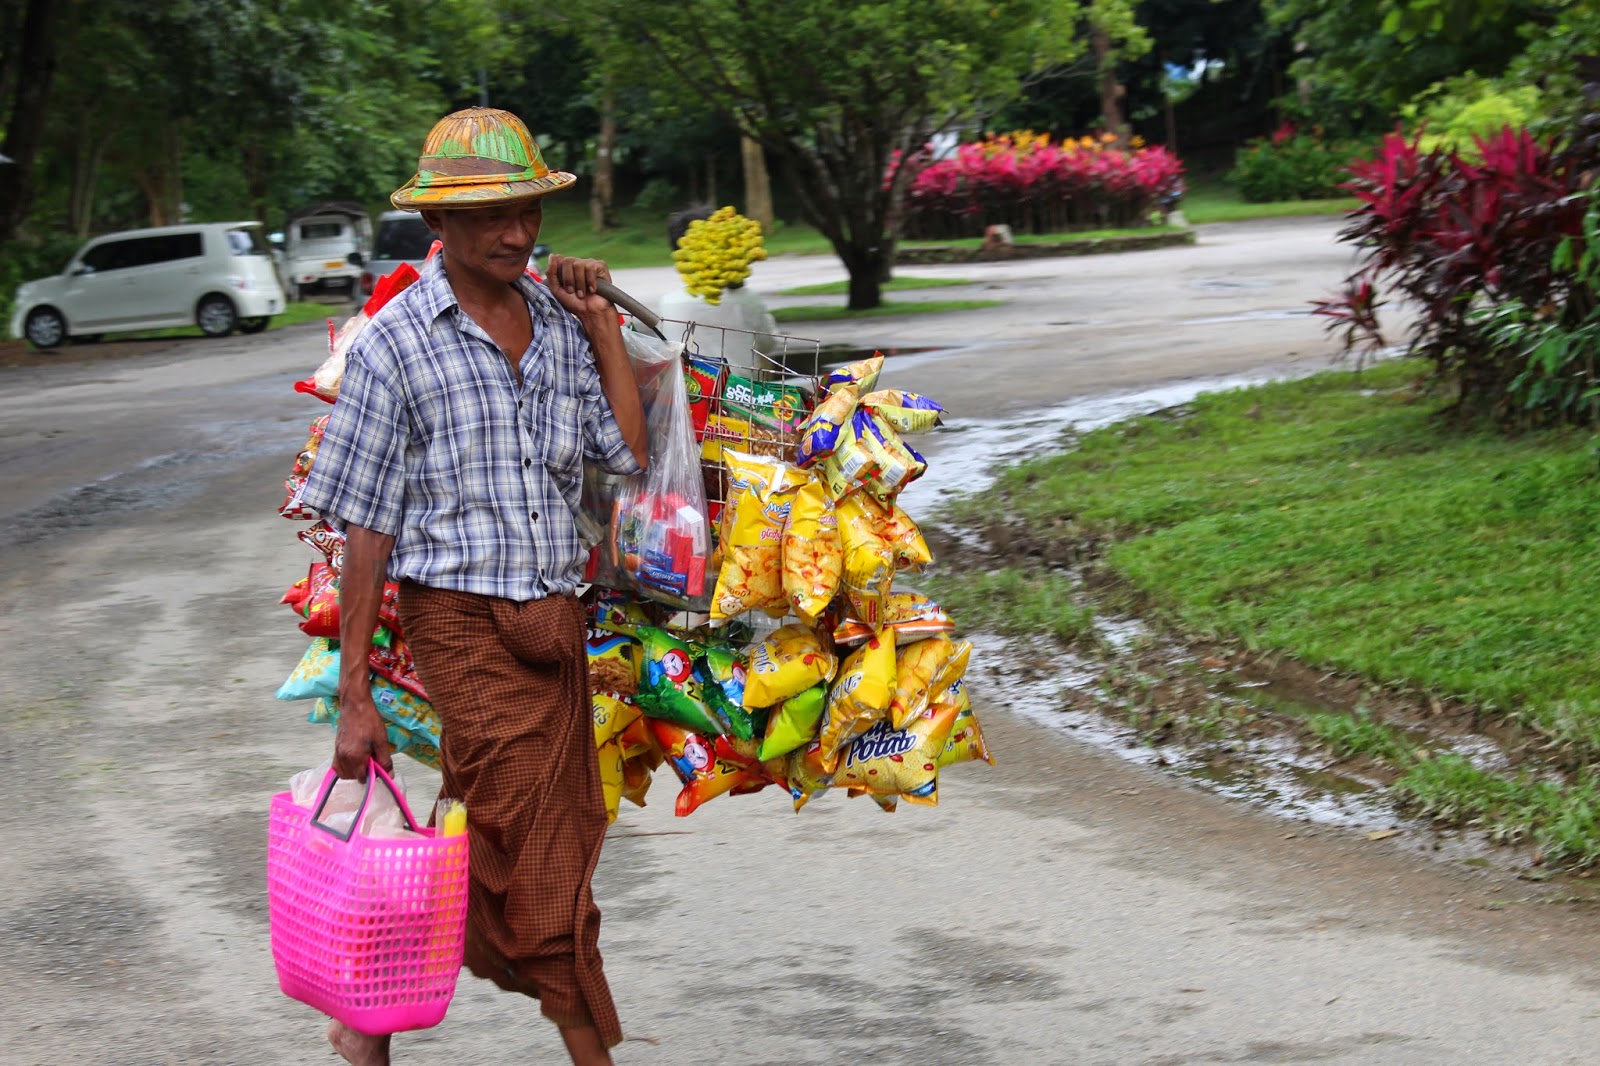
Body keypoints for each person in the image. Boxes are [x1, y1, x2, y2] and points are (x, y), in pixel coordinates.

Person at [298, 107, 648, 1066]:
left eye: (528, 211)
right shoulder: (392, 347)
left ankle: (364, 1017)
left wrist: (603, 325)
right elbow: (365, 528)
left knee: (519, 848)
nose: (519, 233)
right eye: (493, 217)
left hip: (556, 630)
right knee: (542, 873)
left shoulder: (559, 323)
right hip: (460, 627)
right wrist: (355, 697)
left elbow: (623, 452)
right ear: (436, 229)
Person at [656, 203, 778, 372]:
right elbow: (769, 344)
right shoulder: (748, 299)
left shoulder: (668, 303)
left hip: (692, 394)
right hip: (743, 394)